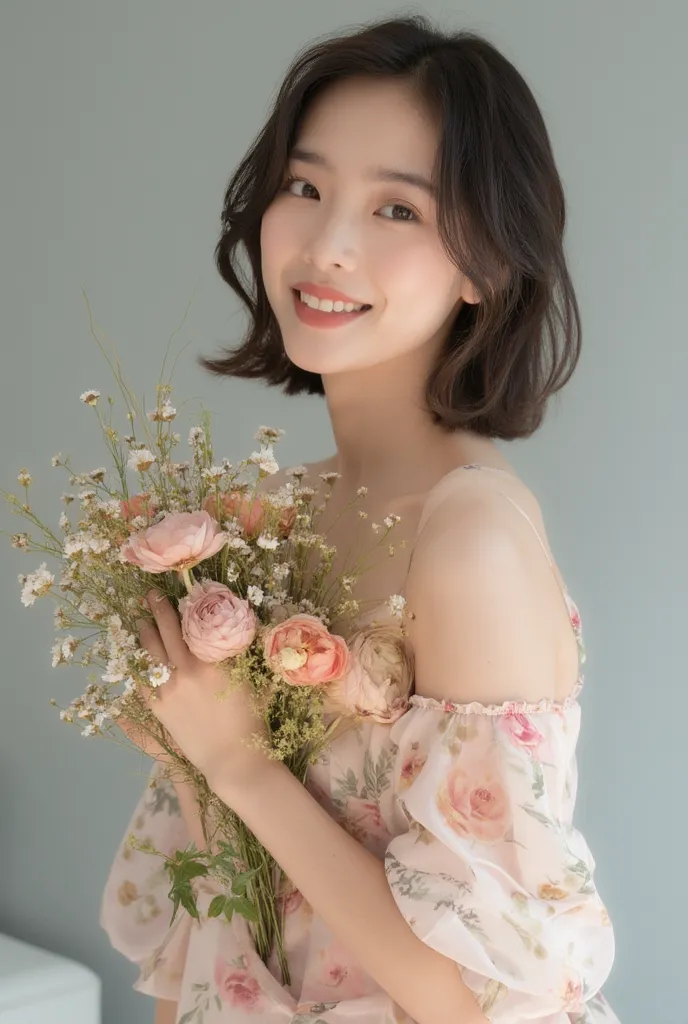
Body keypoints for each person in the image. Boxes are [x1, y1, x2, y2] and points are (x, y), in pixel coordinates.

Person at [101, 15, 621, 1024]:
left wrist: (237, 760)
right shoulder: (276, 515)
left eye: (395, 209)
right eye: (304, 187)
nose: (327, 243)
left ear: (486, 266)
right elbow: (215, 909)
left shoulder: (466, 542)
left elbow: (480, 1001)